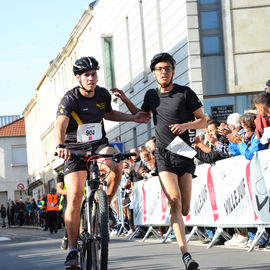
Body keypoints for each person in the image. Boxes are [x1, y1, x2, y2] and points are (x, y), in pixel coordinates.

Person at [112, 52, 207, 270]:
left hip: (184, 153)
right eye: (159, 69)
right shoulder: (152, 95)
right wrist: (126, 99)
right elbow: (141, 116)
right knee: (173, 200)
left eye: (167, 68)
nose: (164, 72)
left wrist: (186, 126)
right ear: (154, 73)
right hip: (163, 154)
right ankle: (186, 254)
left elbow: (203, 120)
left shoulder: (185, 93)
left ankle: (178, 219)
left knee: (184, 208)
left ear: (173, 71)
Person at [55, 56, 150, 269]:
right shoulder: (70, 99)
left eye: (94, 74)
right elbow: (60, 124)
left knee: (115, 163)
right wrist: (61, 146)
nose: (91, 78)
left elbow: (108, 113)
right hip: (75, 150)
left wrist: (132, 118)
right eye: (87, 75)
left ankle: (104, 202)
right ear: (78, 77)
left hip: (98, 145)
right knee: (74, 197)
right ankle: (72, 251)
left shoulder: (102, 94)